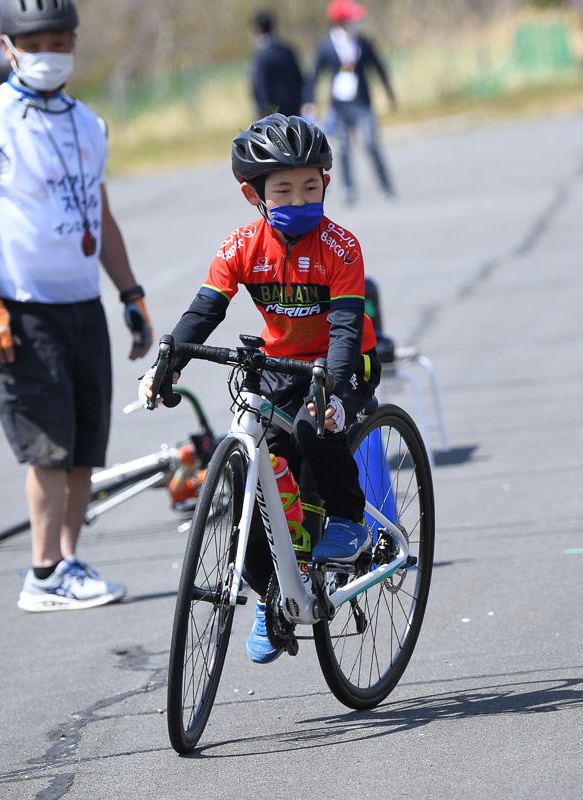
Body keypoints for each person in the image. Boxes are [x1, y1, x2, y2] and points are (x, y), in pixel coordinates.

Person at [140, 113, 381, 664]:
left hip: (345, 365)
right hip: (279, 368)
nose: (301, 196)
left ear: (326, 182)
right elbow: (204, 310)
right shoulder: (241, 246)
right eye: (284, 188)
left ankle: (347, 519)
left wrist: (333, 389)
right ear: (253, 194)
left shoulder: (341, 248)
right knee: (252, 470)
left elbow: (345, 327)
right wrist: (167, 362)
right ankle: (270, 593)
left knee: (312, 427)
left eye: (311, 185)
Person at [0, 0, 152, 612]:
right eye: (33, 41)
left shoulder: (89, 123)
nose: (48, 52)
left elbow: (103, 215)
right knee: (48, 447)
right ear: (9, 47)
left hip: (81, 304)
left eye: (58, 40)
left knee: (84, 447)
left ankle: (67, 561)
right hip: (21, 308)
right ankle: (41, 573)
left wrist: (131, 293)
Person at [303, 0, 397, 204]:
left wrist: (389, 92)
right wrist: (309, 101)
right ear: (340, 21)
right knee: (342, 148)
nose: (356, 22)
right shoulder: (326, 45)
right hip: (338, 106)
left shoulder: (364, 43)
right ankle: (348, 188)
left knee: (371, 143)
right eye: (351, 19)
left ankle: (386, 184)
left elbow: (379, 67)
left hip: (362, 103)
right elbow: (315, 75)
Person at [249, 9, 305, 118]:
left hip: (272, 114)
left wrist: (263, 113)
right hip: (294, 109)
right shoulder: (288, 50)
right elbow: (299, 79)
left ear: (257, 29)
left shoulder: (260, 56)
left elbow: (261, 87)